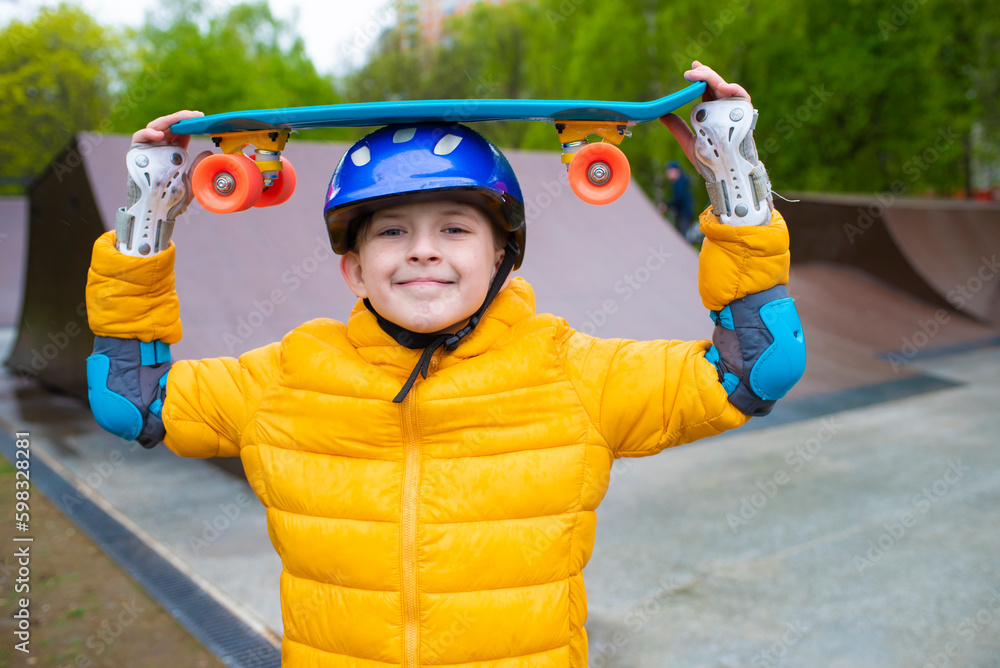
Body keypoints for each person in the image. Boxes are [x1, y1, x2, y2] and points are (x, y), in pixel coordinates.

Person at [85, 62, 805, 667]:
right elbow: (131, 398)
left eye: (455, 229)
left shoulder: (572, 375)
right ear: (354, 271)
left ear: (501, 257)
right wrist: (148, 217)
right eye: (393, 231)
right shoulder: (287, 381)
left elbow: (756, 367)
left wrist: (733, 179)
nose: (423, 249)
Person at [660, 159, 697, 241]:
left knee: (682, 240)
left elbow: (679, 198)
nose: (667, 173)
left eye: (669, 171)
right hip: (686, 214)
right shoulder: (682, 181)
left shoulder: (679, 183)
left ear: (675, 171)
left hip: (684, 215)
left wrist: (667, 205)